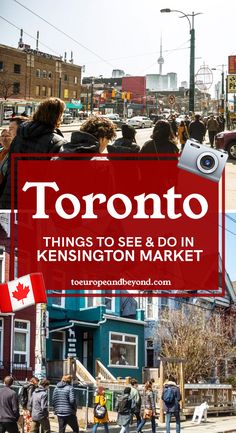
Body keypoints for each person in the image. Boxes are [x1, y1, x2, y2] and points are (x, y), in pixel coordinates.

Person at [0, 97, 67, 209]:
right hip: (35, 204)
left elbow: (9, 169)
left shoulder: (20, 136)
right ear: (57, 116)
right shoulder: (56, 142)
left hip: (10, 198)